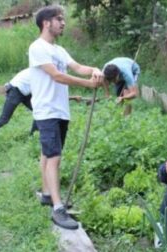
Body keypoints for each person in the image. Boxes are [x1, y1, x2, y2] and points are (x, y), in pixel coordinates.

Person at [29, 5, 103, 230]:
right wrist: (88, 84)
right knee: (55, 157)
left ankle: (46, 193)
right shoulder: (37, 47)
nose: (63, 23)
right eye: (59, 19)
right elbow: (57, 76)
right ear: (46, 23)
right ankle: (58, 208)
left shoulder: (59, 50)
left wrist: (95, 70)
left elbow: (78, 67)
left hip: (60, 110)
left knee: (47, 153)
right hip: (47, 110)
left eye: (63, 19)